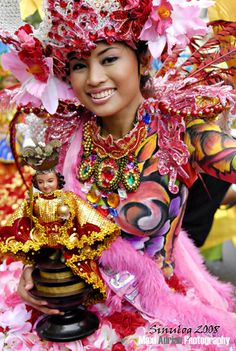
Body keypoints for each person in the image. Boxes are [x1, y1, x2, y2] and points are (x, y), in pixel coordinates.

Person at [0, 1, 236, 350]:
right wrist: (33, 270)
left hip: (163, 321)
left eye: (109, 59)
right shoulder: (69, 136)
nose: (94, 79)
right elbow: (49, 224)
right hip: (72, 313)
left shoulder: (180, 131)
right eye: (80, 65)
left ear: (142, 60)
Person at [0, 140, 119, 306]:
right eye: (41, 183)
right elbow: (23, 220)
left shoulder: (67, 199)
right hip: (44, 244)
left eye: (49, 181)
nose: (46, 186)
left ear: (57, 180)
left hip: (67, 242)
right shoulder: (34, 202)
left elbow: (83, 214)